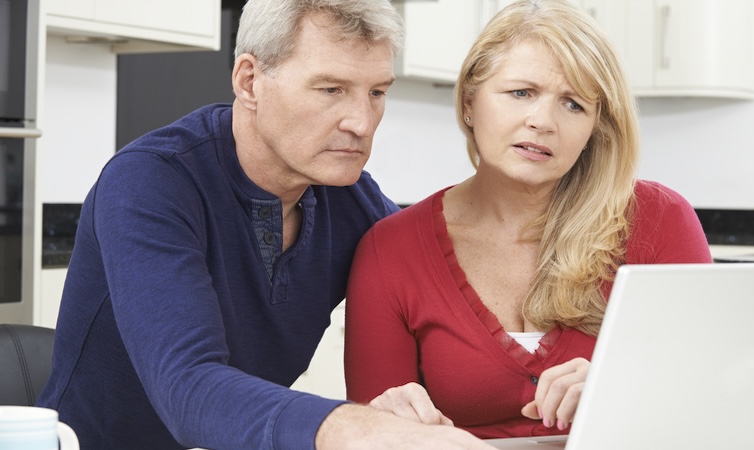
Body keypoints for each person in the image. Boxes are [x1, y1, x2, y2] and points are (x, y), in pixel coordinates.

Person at [35, 0, 495, 449]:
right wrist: (355, 427)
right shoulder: (148, 181)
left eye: (376, 92)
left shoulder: (351, 199)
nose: (362, 123)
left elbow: (453, 293)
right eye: (331, 89)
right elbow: (188, 387)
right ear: (250, 81)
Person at [344, 0, 713, 441]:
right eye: (521, 93)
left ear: (594, 128)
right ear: (469, 102)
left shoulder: (659, 221)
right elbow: (375, 432)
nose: (543, 121)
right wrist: (395, 423)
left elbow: (715, 395)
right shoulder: (390, 250)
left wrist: (623, 389)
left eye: (573, 104)